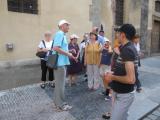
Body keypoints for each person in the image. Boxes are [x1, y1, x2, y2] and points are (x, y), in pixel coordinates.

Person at [104, 24, 138, 120]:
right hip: (120, 92)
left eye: (118, 33)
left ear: (123, 35)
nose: (117, 35)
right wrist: (113, 74)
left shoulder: (127, 50)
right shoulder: (125, 48)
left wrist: (112, 77)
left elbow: (131, 79)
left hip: (124, 95)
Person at [52, 19, 77, 111]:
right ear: (62, 26)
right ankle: (61, 105)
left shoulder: (62, 35)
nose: (68, 27)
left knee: (58, 85)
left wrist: (69, 51)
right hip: (60, 64)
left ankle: (56, 103)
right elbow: (55, 48)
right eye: (67, 25)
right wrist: (68, 54)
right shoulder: (60, 34)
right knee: (61, 85)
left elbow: (60, 48)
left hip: (60, 63)